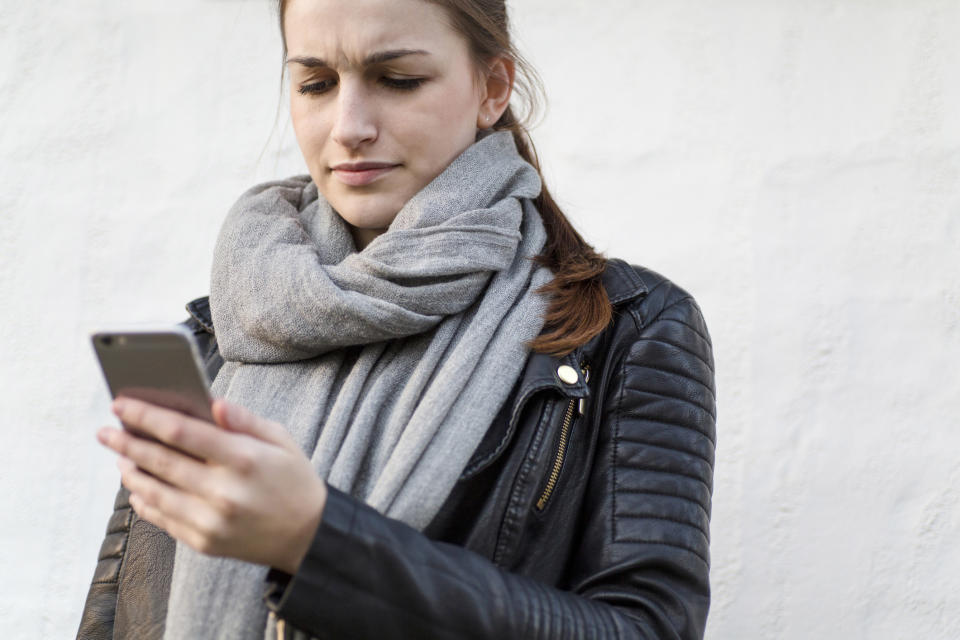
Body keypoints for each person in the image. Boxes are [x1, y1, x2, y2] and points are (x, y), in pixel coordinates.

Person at [78, 0, 717, 638]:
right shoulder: (226, 333)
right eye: (316, 84)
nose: (348, 126)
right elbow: (120, 618)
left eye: (398, 80)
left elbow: (648, 629)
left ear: (492, 89)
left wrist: (318, 541)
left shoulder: (625, 330)